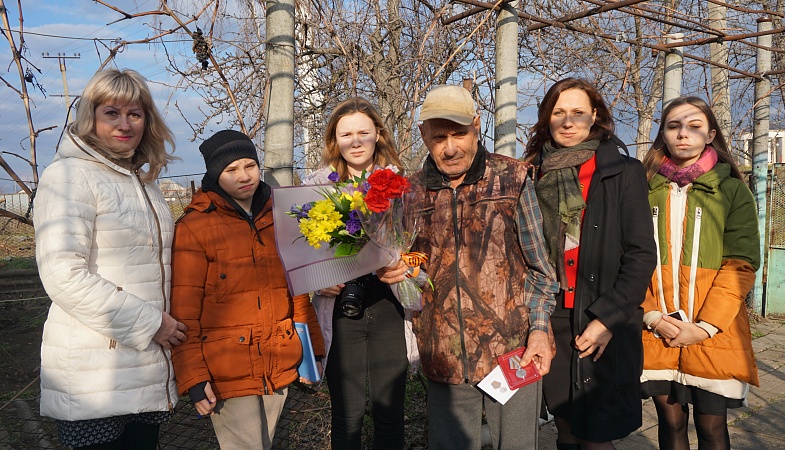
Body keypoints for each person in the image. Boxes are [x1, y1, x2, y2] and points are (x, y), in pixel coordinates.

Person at [379, 84, 559, 450]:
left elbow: (541, 270)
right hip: (444, 355)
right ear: (423, 134)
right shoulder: (408, 193)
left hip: (513, 351)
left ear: (477, 126)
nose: (449, 148)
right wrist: (389, 273)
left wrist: (539, 330)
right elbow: (404, 267)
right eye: (438, 137)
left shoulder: (513, 179)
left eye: (459, 134)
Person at [33, 68, 185, 449]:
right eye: (111, 113)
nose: (125, 124)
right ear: (91, 118)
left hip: (144, 369)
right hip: (94, 376)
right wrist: (152, 323)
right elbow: (63, 274)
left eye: (134, 113)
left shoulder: (144, 183)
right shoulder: (69, 176)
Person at [522, 78, 657, 450]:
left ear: (595, 116)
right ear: (547, 118)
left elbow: (642, 254)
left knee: (596, 435)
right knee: (564, 427)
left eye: (578, 113)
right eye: (559, 113)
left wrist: (608, 319)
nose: (568, 122)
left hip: (601, 315)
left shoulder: (621, 171)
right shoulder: (531, 173)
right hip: (551, 316)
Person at [170, 130, 325, 450]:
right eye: (231, 170)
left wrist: (313, 352)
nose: (244, 176)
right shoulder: (194, 227)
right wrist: (194, 378)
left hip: (280, 362)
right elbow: (184, 313)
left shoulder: (282, 215)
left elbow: (298, 294)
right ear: (215, 174)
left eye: (250, 165)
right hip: (227, 373)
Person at [640, 96, 760, 450]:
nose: (683, 134)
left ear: (710, 135)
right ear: (663, 134)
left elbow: (740, 264)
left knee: (711, 428)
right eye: (673, 126)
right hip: (656, 330)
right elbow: (628, 258)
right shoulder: (642, 187)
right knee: (671, 423)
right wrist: (651, 316)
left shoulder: (731, 190)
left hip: (714, 332)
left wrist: (704, 327)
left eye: (694, 126)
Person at [304, 98, 409, 450]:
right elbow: (301, 253)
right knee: (347, 415)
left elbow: (420, 244)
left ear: (377, 134)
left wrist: (404, 264)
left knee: (389, 413)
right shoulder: (315, 187)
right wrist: (319, 278)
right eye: (346, 134)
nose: (356, 141)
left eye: (363, 132)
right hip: (340, 308)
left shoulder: (400, 185)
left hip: (388, 304)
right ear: (335, 140)